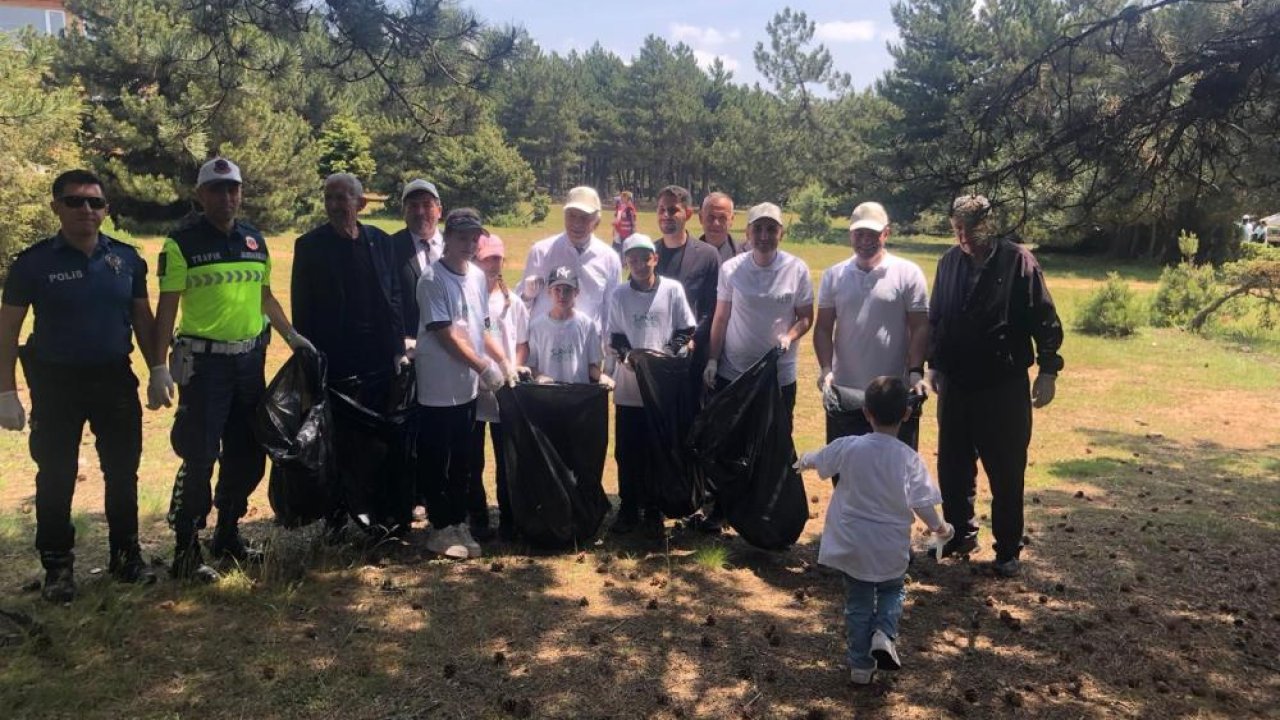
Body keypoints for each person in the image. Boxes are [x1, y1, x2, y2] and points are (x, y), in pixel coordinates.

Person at [0, 170, 162, 601]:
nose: (86, 210)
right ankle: (57, 566)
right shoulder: (32, 263)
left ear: (106, 209)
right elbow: (8, 328)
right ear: (56, 206)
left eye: (95, 203)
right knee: (56, 475)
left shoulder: (127, 258)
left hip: (114, 379)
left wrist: (159, 368)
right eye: (75, 202)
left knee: (123, 473)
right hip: (56, 384)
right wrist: (6, 391)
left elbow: (143, 319)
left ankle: (126, 556)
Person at [154, 157, 313, 582]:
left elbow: (264, 296)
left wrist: (291, 336)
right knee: (200, 453)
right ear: (201, 195)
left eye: (233, 189)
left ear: (240, 193)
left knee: (247, 452)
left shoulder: (253, 241)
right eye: (217, 190)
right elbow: (166, 310)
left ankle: (228, 533)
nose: (226, 198)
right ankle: (186, 548)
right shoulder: (180, 244)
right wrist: (157, 367)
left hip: (249, 363)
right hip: (205, 366)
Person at [928, 194, 1064, 577]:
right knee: (953, 467)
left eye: (972, 229)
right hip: (956, 383)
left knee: (1005, 469)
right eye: (957, 229)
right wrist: (934, 366)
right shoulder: (949, 263)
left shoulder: (1018, 261)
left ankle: (1007, 549)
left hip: (1002, 385)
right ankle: (959, 534)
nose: (965, 238)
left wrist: (1049, 369)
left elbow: (1044, 318)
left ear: (990, 225)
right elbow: (937, 318)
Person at [796, 376, 952, 685]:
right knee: (893, 589)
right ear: (906, 414)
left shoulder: (850, 446)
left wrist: (803, 461)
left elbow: (820, 457)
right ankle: (884, 633)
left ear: (866, 412)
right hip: (890, 545)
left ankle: (860, 666)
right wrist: (940, 527)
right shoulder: (909, 459)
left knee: (858, 601)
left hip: (853, 543)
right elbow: (922, 504)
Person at [293, 172, 407, 535]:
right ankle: (336, 515)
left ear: (360, 203)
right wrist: (311, 362)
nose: (337, 205)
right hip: (335, 358)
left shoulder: (379, 241)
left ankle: (377, 511)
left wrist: (397, 348)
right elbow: (302, 309)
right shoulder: (309, 246)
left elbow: (393, 296)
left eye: (344, 198)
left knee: (377, 439)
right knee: (337, 439)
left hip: (377, 359)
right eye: (330, 197)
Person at [416, 208, 512, 560]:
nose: (470, 244)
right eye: (462, 237)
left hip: (467, 388)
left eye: (475, 238)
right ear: (448, 237)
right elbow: (445, 334)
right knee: (438, 459)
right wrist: (483, 367)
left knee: (463, 459)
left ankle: (457, 520)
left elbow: (481, 327)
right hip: (438, 387)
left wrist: (503, 361)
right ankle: (439, 528)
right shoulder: (432, 280)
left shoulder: (474, 276)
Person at [814, 202, 929, 453]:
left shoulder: (907, 273)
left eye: (873, 234)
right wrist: (825, 369)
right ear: (850, 235)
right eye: (859, 234)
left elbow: (920, 326)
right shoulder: (834, 275)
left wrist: (915, 371)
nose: (865, 241)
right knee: (845, 470)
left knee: (892, 472)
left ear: (886, 233)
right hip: (845, 391)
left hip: (892, 391)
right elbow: (823, 328)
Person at [607, 234, 696, 536]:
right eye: (632, 259)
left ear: (654, 259)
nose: (639, 264)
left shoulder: (672, 290)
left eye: (645, 258)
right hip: (629, 388)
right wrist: (628, 356)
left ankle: (654, 510)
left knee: (658, 449)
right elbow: (615, 336)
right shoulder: (619, 295)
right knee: (627, 451)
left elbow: (686, 328)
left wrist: (666, 355)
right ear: (626, 262)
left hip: (660, 390)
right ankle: (629, 507)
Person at [704, 203, 814, 422]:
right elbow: (721, 318)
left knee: (775, 443)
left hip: (779, 375)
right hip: (735, 372)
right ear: (747, 233)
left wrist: (789, 336)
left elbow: (806, 317)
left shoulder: (796, 269)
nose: (764, 235)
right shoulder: (731, 269)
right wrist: (712, 360)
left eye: (771, 229)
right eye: (758, 228)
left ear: (781, 233)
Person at [467, 233, 528, 542]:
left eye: (496, 258)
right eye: (485, 258)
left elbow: (521, 342)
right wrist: (500, 362)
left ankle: (509, 517)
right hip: (476, 388)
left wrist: (513, 367)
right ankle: (477, 517)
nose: (491, 264)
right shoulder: (470, 297)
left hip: (506, 391)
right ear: (475, 260)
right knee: (472, 460)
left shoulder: (511, 301)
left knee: (508, 459)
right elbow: (480, 336)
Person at [520, 186, 621, 332]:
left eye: (584, 218)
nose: (577, 223)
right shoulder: (541, 251)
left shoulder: (609, 258)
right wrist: (527, 296)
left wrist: (608, 347)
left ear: (596, 223)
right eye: (571, 215)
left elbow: (611, 311)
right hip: (544, 342)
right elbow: (520, 306)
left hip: (586, 345)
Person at [520, 266, 608, 386]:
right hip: (547, 394)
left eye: (567, 290)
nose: (562, 295)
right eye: (557, 289)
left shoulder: (587, 325)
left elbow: (591, 366)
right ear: (549, 292)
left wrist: (601, 376)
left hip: (578, 393)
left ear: (576, 292)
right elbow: (531, 365)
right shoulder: (537, 326)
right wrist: (539, 376)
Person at [391, 178, 443, 352]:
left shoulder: (457, 246)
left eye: (427, 205)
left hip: (453, 352)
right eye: (413, 206)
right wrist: (398, 340)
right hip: (410, 351)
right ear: (404, 212)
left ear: (439, 211)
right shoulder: (390, 248)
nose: (420, 212)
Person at [699, 192, 746, 262]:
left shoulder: (743, 258)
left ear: (731, 220)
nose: (716, 223)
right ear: (701, 218)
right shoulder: (688, 255)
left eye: (722, 218)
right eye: (711, 217)